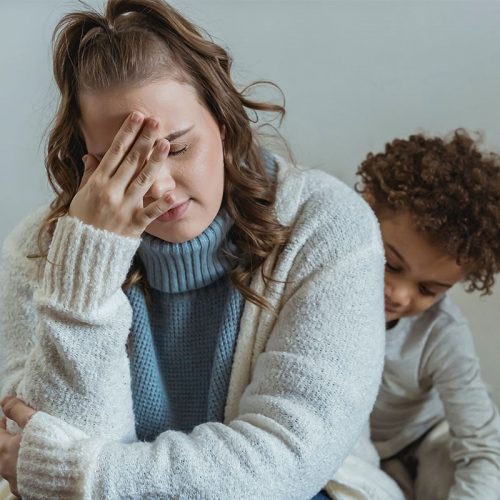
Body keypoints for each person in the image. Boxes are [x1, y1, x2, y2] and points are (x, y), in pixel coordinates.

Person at [0, 1, 386, 498]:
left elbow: (285, 461)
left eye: (178, 149)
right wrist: (88, 267)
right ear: (89, 160)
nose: (159, 188)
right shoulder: (40, 250)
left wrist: (86, 475)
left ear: (222, 121)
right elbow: (46, 442)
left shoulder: (327, 226)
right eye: (123, 162)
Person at [357, 131, 500, 499]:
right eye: (391, 264)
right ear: (364, 209)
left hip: (428, 438)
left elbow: (483, 446)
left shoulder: (443, 333)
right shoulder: (320, 285)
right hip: (358, 451)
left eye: (427, 290)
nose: (400, 295)